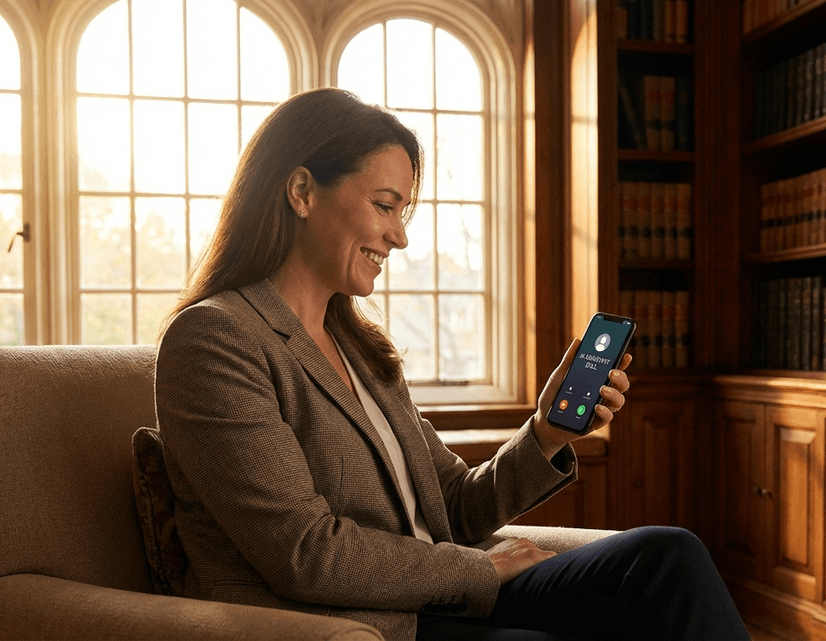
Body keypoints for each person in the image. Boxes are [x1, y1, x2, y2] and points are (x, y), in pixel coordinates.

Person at [154, 88, 748, 640]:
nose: (399, 238)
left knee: (667, 557)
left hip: (441, 596)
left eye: (403, 213)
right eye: (385, 206)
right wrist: (479, 571)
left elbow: (455, 506)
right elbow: (306, 552)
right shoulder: (216, 340)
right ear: (303, 191)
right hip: (352, 621)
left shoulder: (360, 348)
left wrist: (546, 432)